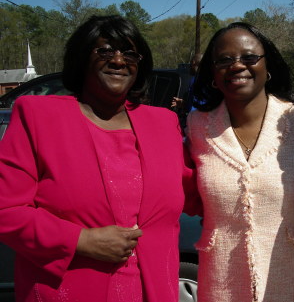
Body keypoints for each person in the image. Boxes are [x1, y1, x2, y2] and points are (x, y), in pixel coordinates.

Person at [0, 15, 194, 302]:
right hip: (68, 288)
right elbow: (7, 210)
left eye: (129, 53)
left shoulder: (163, 123)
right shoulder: (38, 116)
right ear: (81, 58)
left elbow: (201, 190)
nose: (118, 60)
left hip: (152, 290)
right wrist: (80, 240)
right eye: (104, 50)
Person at [184, 22, 294, 302]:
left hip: (292, 280)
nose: (237, 66)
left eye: (249, 57)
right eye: (224, 60)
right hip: (223, 283)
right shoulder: (198, 126)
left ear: (267, 65)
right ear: (212, 72)